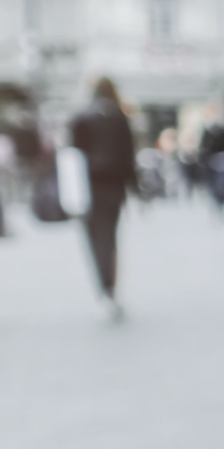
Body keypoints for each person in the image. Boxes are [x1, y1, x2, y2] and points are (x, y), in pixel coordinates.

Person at [69, 78, 137, 319]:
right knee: (110, 236)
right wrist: (135, 188)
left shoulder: (81, 117)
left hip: (90, 186)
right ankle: (112, 288)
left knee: (94, 238)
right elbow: (129, 155)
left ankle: (104, 286)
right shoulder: (119, 116)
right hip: (114, 186)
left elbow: (73, 156)